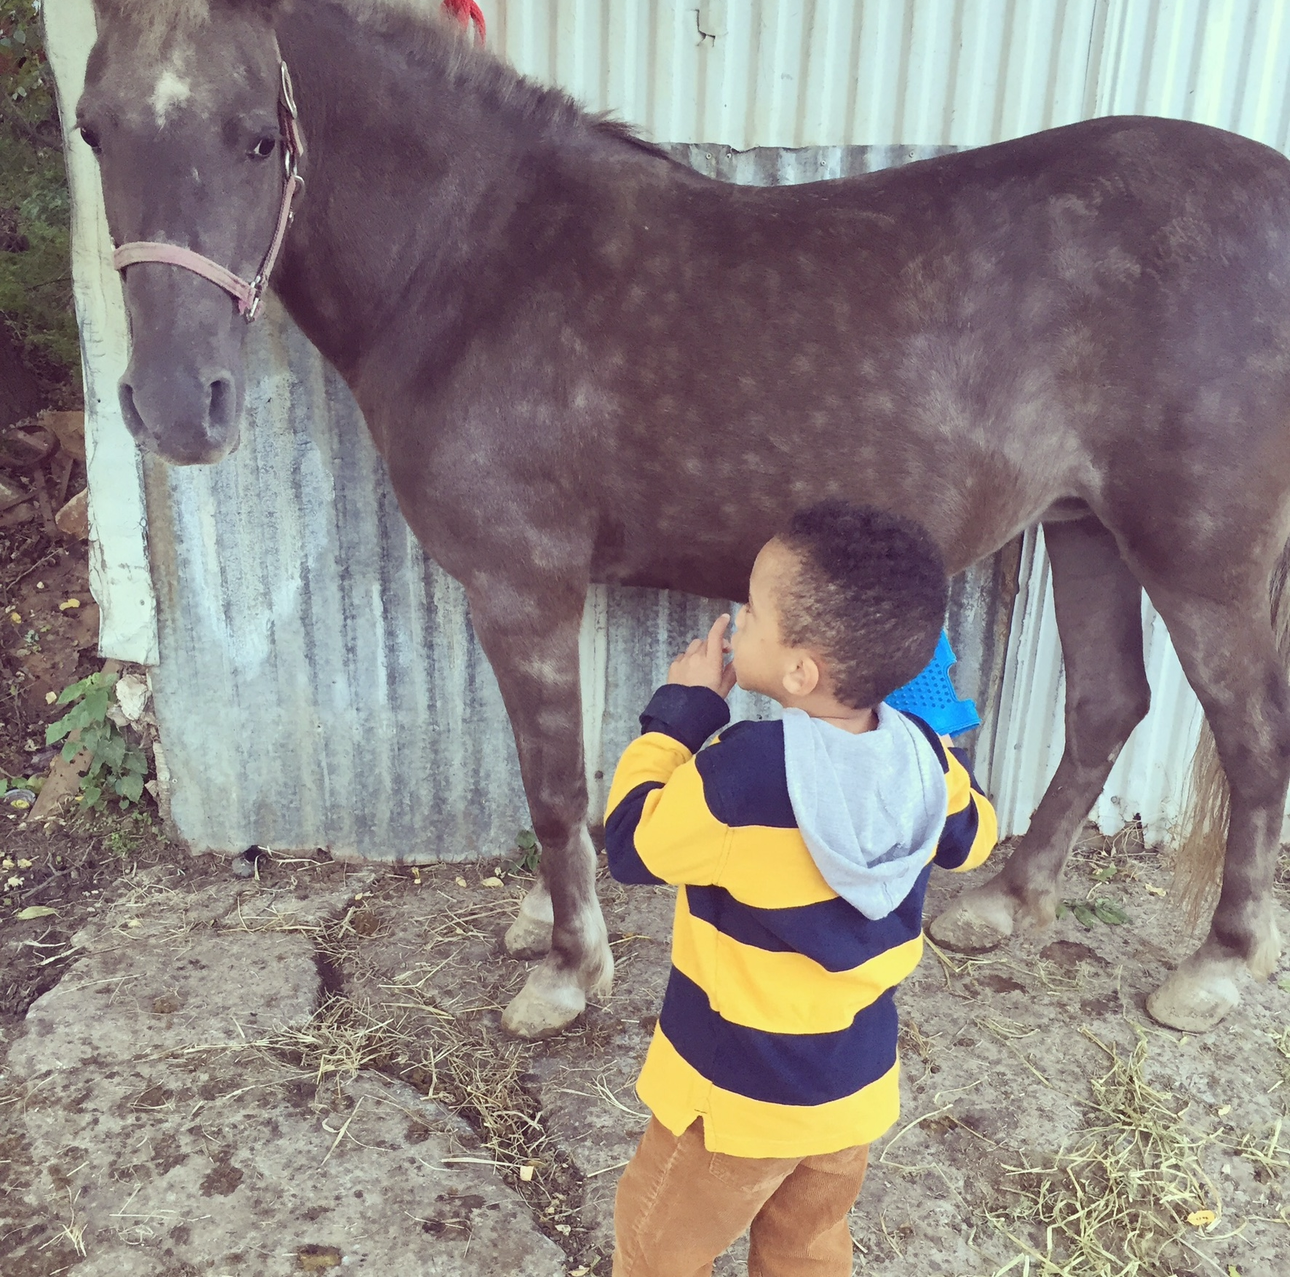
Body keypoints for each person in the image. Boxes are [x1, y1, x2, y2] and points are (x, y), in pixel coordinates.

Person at [604, 500, 998, 1277]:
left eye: (751, 610)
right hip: (849, 1092)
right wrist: (933, 739)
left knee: (655, 1249)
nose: (736, 619)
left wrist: (680, 714)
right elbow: (974, 835)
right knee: (806, 1250)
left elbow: (630, 844)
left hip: (733, 1104)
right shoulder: (924, 758)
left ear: (799, 671)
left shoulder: (741, 773)